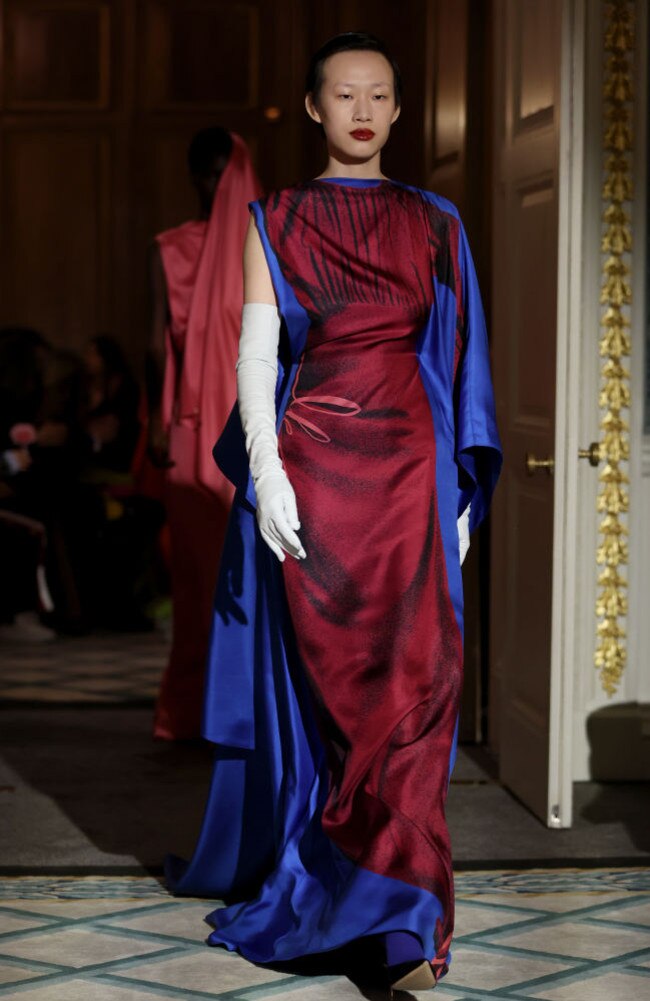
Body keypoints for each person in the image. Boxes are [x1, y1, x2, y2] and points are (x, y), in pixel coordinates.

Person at [167, 34, 502, 991]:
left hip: (412, 476)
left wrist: (460, 504)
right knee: (334, 706)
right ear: (313, 108)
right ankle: (335, 891)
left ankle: (405, 924)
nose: (363, 109)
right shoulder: (275, 217)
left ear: (399, 112)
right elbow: (257, 352)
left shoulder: (436, 221)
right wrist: (268, 472)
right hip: (316, 476)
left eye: (380, 95)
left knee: (420, 688)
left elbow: (463, 358)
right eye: (344, 94)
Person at [147, 128, 262, 740]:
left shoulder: (265, 243)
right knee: (197, 584)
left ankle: (246, 717)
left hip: (250, 429)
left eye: (226, 173)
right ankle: (191, 714)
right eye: (208, 174)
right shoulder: (170, 248)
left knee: (251, 577)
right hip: (191, 433)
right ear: (194, 177)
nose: (218, 186)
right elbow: (154, 344)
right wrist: (159, 425)